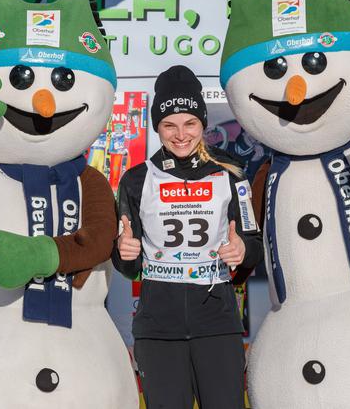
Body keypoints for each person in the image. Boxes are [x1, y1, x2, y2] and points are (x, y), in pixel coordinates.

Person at [113, 65, 263, 409]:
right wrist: (123, 253)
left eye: (190, 123)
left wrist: (243, 250)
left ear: (203, 123)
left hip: (217, 323)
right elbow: (129, 265)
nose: (181, 135)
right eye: (169, 125)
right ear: (157, 127)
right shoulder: (137, 179)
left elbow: (253, 245)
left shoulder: (233, 173)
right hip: (157, 329)